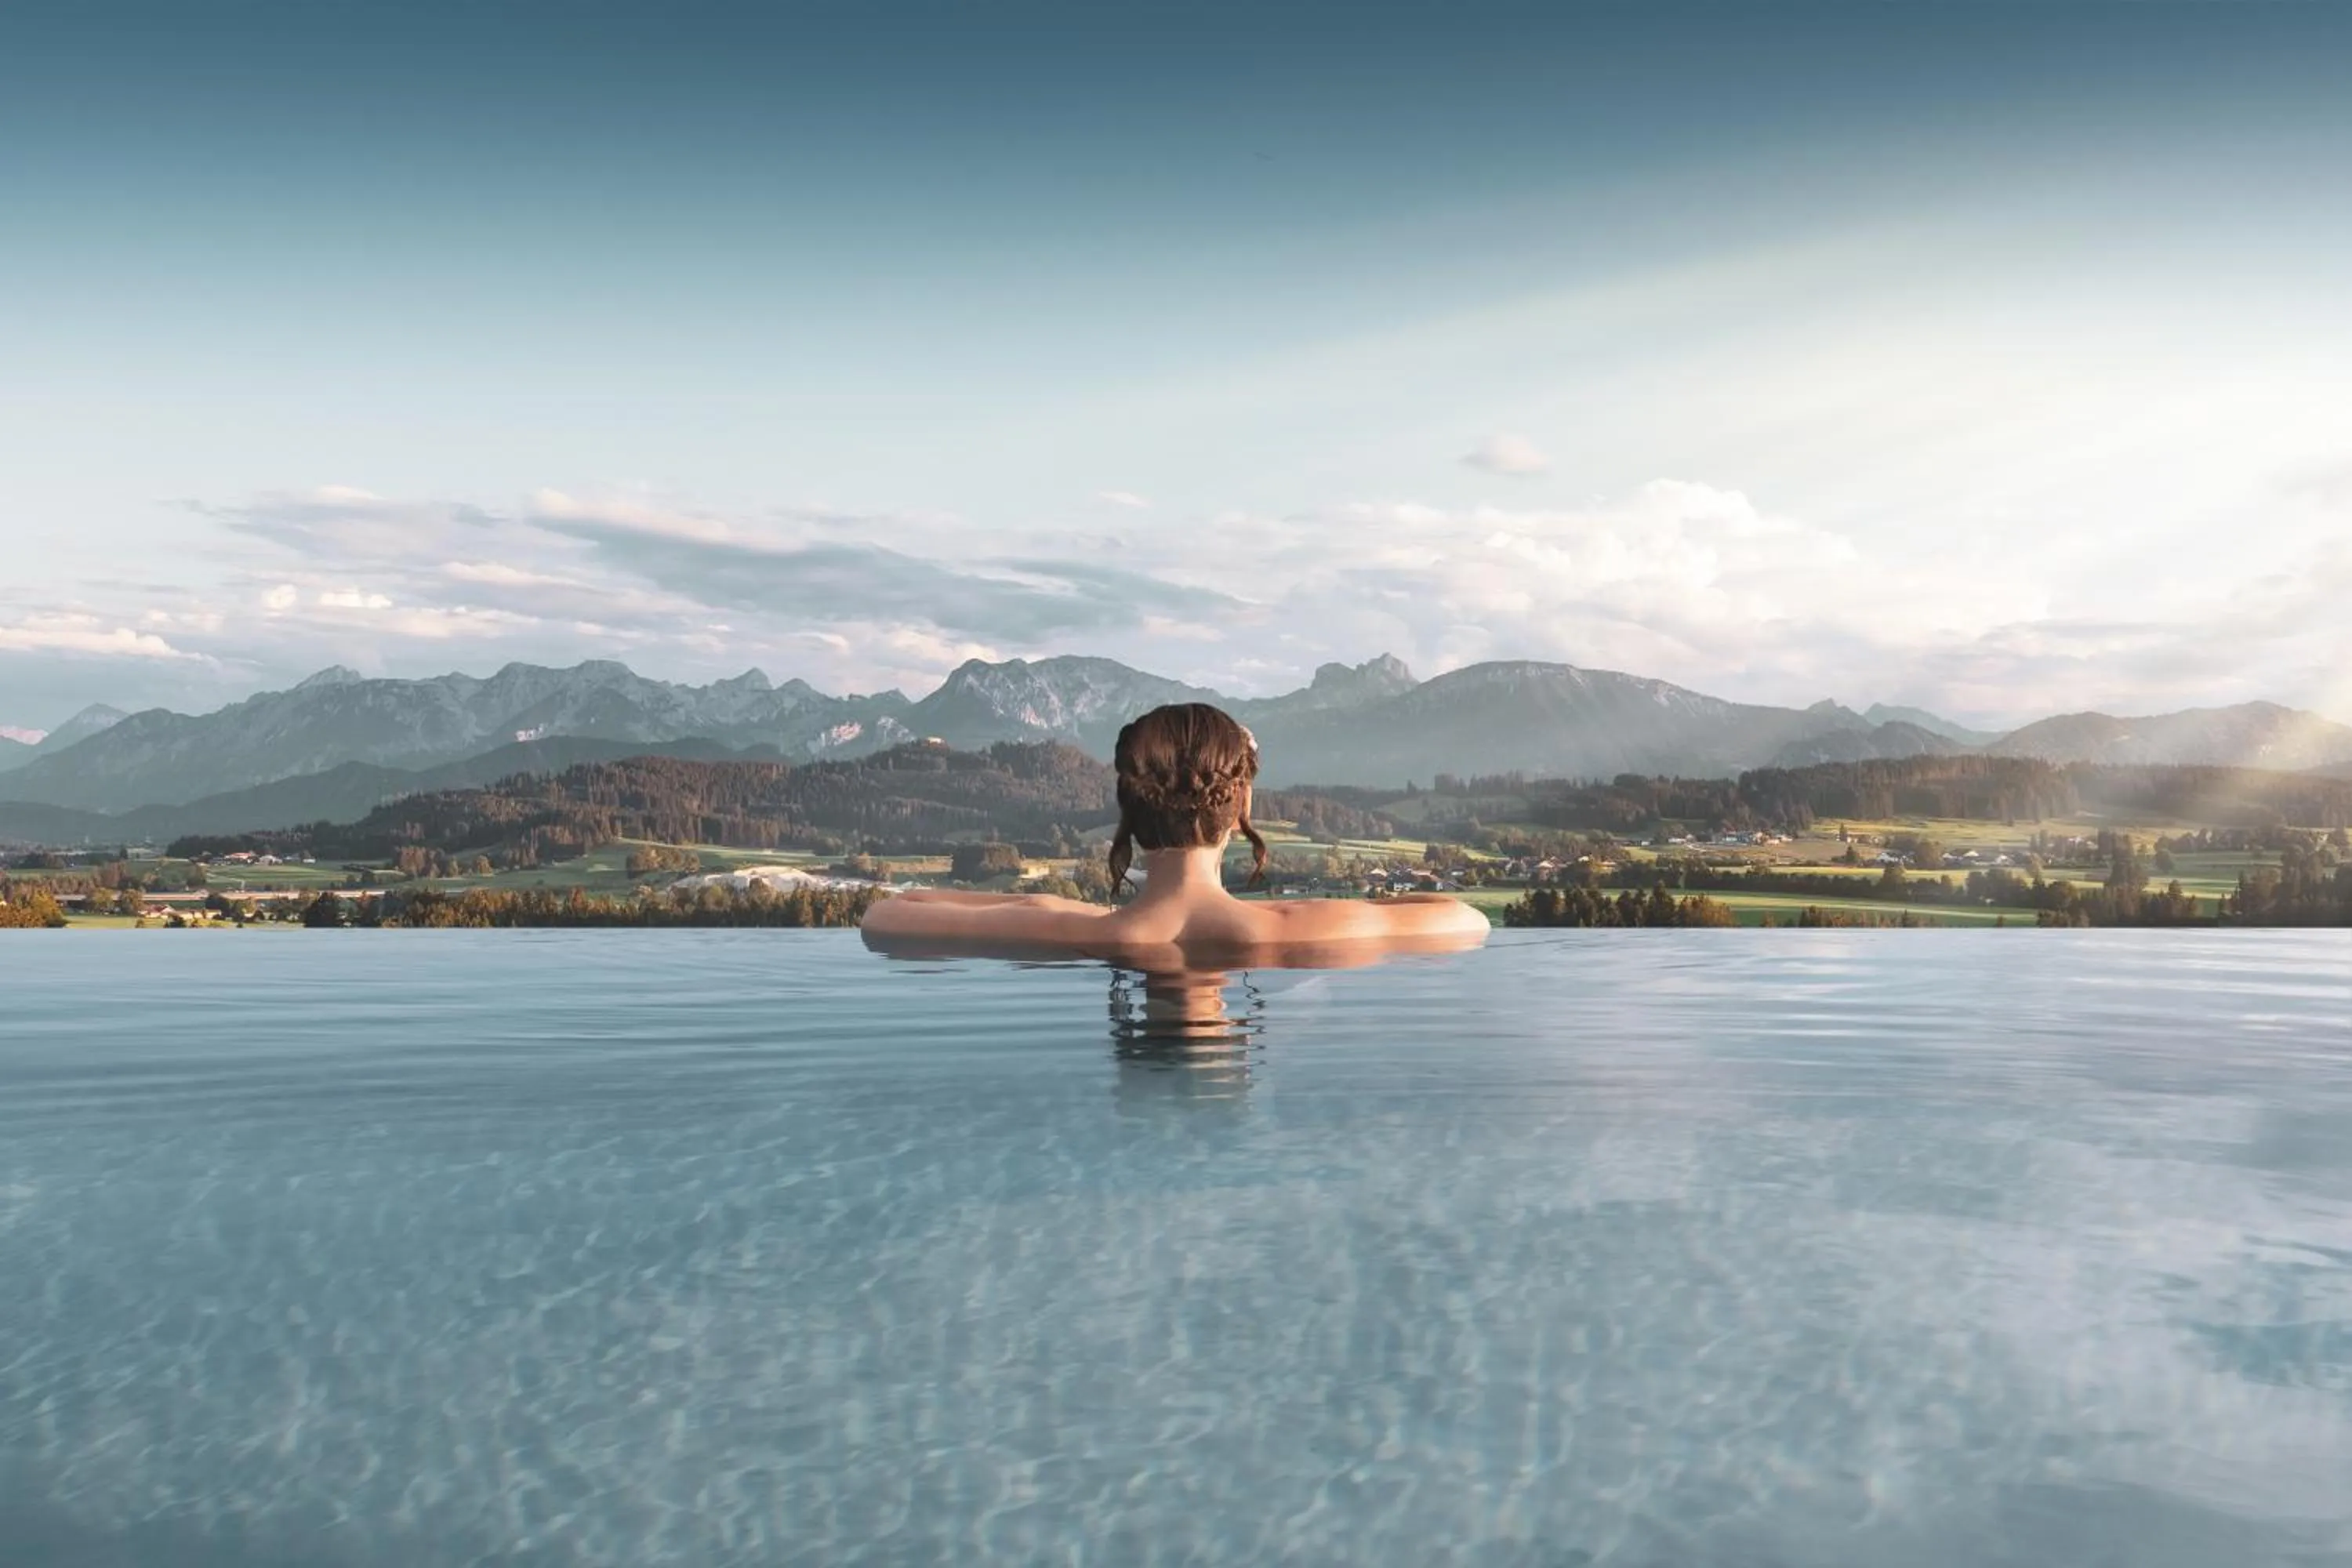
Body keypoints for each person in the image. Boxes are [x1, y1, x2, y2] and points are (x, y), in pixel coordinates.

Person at [860, 702, 1490, 964]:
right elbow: (1466, 919)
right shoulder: (1304, 925)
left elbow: (885, 916)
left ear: (1128, 808)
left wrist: (1030, 903)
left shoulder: (1068, 926)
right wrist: (1329, 906)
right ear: (1240, 804)